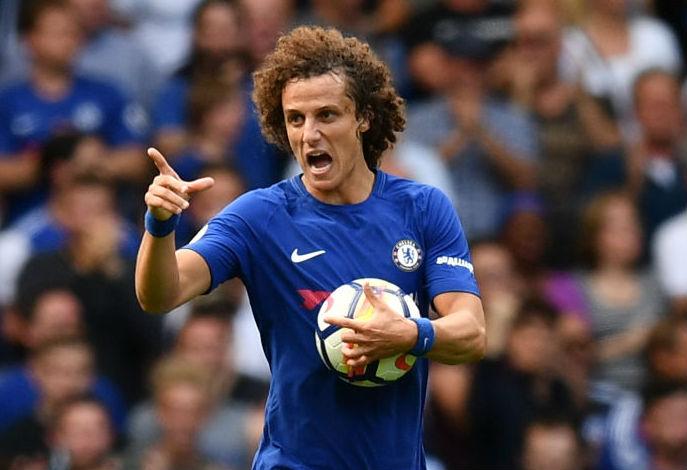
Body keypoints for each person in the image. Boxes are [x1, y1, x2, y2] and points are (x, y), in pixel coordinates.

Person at [135, 25, 486, 469]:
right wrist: (159, 224)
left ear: (363, 117)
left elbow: (472, 333)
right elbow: (160, 294)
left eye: (327, 115)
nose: (309, 134)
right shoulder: (259, 216)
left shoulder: (422, 208)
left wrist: (409, 335)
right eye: (295, 119)